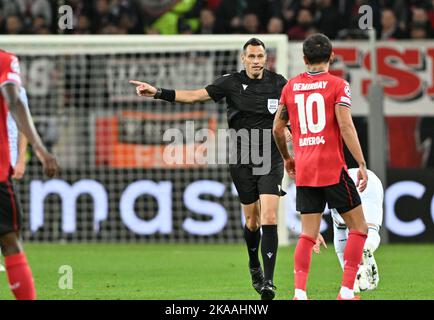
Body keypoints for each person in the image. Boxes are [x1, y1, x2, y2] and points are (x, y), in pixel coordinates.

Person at [130, 38, 288, 300]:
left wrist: (291, 131)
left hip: (270, 158)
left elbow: (290, 112)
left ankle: (269, 282)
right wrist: (158, 92)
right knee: (252, 220)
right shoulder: (230, 83)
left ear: (266, 58)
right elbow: (194, 97)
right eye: (252, 56)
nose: (257, 61)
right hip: (241, 158)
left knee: (270, 217)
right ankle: (254, 266)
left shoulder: (279, 83)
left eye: (260, 56)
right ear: (243, 58)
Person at [273, 33, 368, 300]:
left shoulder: (290, 87)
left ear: (304, 59)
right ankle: (347, 292)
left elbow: (278, 128)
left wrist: (287, 158)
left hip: (305, 169)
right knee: (359, 228)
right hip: (332, 168)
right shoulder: (338, 85)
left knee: (307, 235)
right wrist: (360, 162)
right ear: (332, 56)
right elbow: (346, 126)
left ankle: (300, 294)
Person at [0, 49, 60, 299]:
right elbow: (14, 100)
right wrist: (41, 149)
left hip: (7, 163)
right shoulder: (5, 60)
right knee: (10, 240)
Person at [315, 168, 383, 293]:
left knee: (341, 230)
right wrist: (361, 164)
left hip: (338, 185)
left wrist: (315, 230)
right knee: (370, 229)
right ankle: (367, 248)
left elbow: (314, 204)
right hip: (366, 180)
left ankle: (352, 281)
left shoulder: (309, 180)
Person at [0, 87, 29, 273]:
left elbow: (23, 127)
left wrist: (21, 160)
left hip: (7, 159)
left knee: (6, 213)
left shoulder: (17, 90)